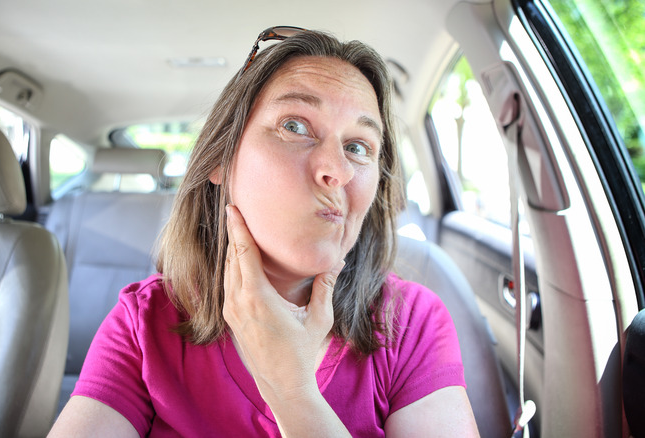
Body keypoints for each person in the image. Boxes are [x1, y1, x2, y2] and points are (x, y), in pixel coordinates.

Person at [49, 27, 479, 437]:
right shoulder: (143, 326)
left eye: (357, 147)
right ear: (221, 160)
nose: (338, 169)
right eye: (294, 126)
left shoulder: (410, 324)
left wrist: (292, 392)